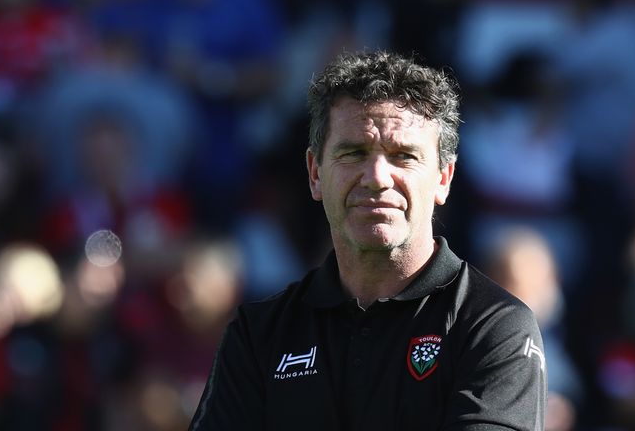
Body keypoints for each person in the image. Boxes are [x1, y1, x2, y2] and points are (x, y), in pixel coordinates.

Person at [189, 50, 546, 431]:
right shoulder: (258, 333)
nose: (376, 177)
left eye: (403, 156)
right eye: (354, 153)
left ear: (444, 178)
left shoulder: (493, 327)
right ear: (315, 173)